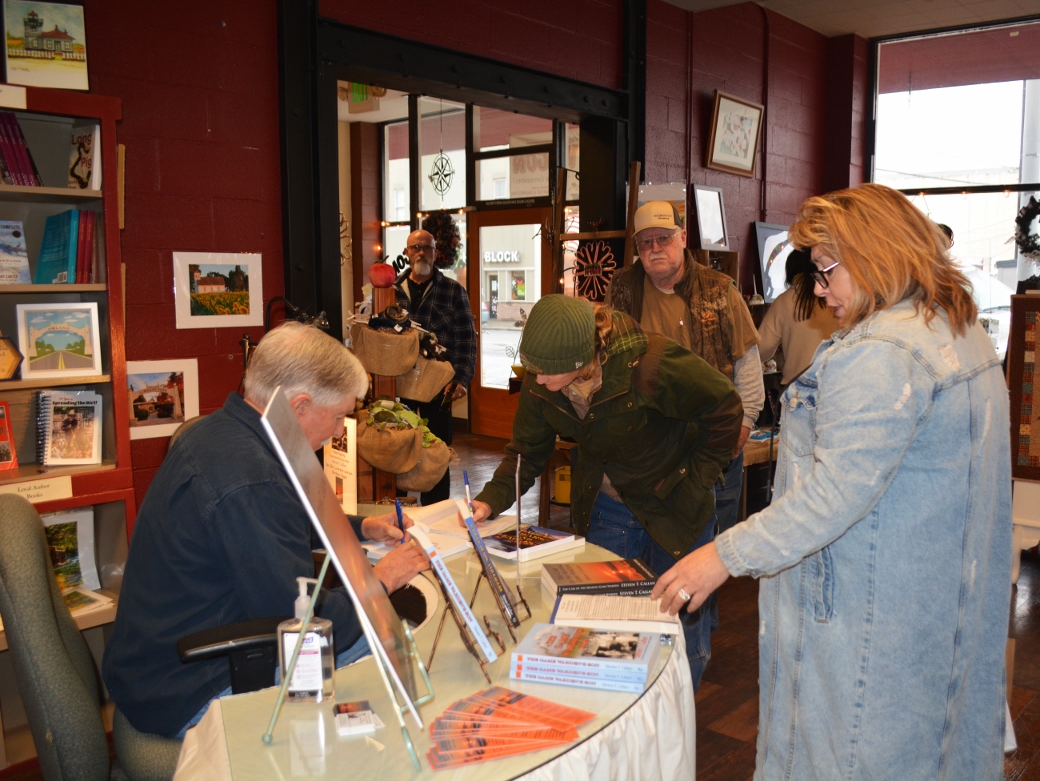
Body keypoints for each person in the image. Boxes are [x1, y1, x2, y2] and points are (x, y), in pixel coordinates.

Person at [652, 184, 1012, 778]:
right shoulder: (958, 330)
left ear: (874, 253)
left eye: (825, 270)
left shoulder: (882, 353)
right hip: (934, 604)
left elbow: (832, 493)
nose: (818, 290)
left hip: (867, 612)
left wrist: (721, 556)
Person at [103, 322, 430, 739]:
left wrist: (362, 526)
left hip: (159, 662)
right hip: (189, 685)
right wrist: (380, 581)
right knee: (399, 646)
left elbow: (281, 522)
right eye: (339, 417)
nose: (336, 432)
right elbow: (305, 622)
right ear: (299, 406)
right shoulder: (252, 479)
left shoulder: (222, 431)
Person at [465, 295, 743, 691]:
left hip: (677, 506)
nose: (536, 379)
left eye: (546, 372)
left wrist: (697, 478)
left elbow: (725, 407)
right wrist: (488, 500)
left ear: (581, 361)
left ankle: (675, 727)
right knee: (606, 628)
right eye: (533, 368)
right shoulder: (542, 377)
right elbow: (526, 451)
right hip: (609, 506)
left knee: (680, 629)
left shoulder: (653, 363)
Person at [606, 200, 763, 538]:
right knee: (650, 548)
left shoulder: (720, 290)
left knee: (709, 549)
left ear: (682, 237)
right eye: (646, 242)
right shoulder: (621, 289)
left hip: (710, 443)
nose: (655, 248)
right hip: (646, 449)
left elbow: (748, 366)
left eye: (664, 238)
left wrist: (744, 425)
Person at [394, 228, 477, 503]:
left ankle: (437, 507)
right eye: (415, 247)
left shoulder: (453, 291)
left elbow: (467, 339)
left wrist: (462, 379)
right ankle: (397, 506)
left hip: (439, 385)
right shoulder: (391, 291)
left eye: (427, 247)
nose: (421, 252)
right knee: (397, 444)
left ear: (435, 252)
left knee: (437, 448)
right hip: (399, 383)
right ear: (407, 253)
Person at [757, 248, 840, 386]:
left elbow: (761, 350)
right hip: (835, 384)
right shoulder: (835, 297)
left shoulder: (784, 301)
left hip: (796, 388)